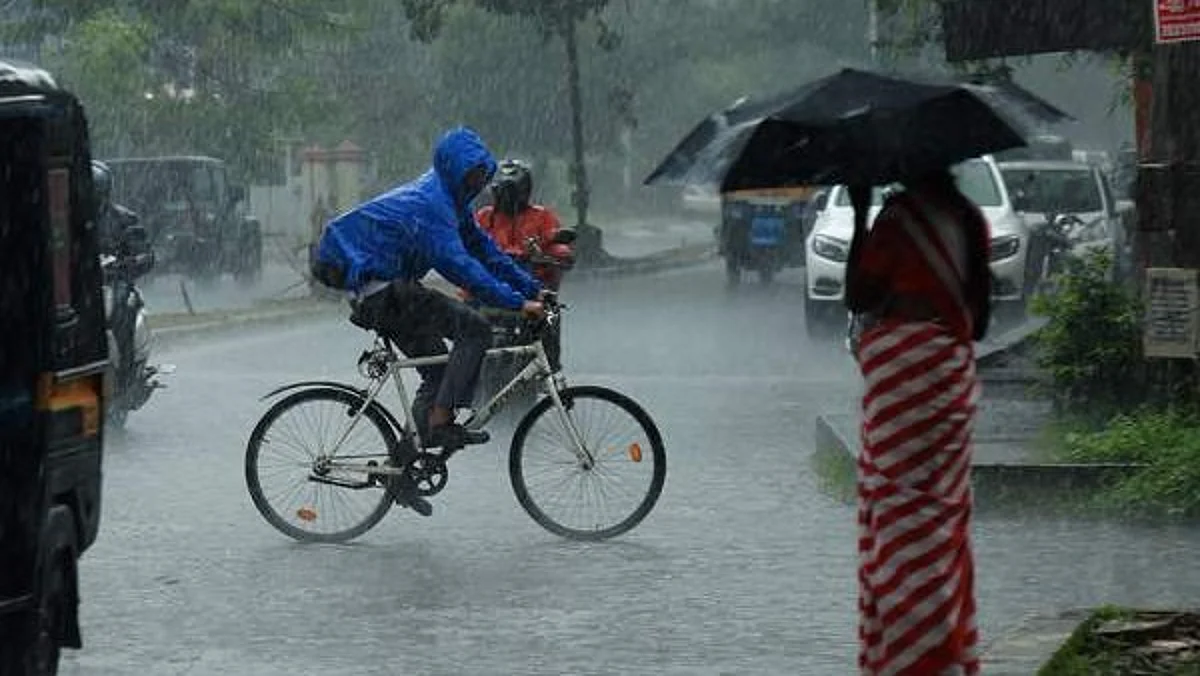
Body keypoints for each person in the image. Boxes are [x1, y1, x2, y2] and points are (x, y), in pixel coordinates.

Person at [313, 127, 546, 489]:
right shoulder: (431, 204)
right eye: (470, 174)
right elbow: (461, 267)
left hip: (389, 291)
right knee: (476, 329)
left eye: (481, 175)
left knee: (438, 373)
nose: (476, 182)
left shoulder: (452, 199)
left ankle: (402, 473)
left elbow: (484, 251)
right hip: (383, 292)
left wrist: (533, 287)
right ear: (453, 169)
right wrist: (518, 303)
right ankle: (440, 421)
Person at [844, 168, 992, 676]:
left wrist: (862, 209)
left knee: (897, 515)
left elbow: (859, 297)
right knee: (940, 517)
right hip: (949, 372)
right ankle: (946, 648)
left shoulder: (896, 216)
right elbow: (983, 317)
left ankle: (905, 656)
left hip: (897, 372)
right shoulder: (969, 219)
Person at [473, 159, 571, 371]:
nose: (508, 197)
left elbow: (556, 245)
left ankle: (550, 371)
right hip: (486, 294)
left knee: (552, 314)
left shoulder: (542, 216)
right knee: (464, 328)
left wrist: (557, 255)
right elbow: (468, 246)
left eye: (513, 190)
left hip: (531, 294)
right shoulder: (484, 217)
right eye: (503, 190)